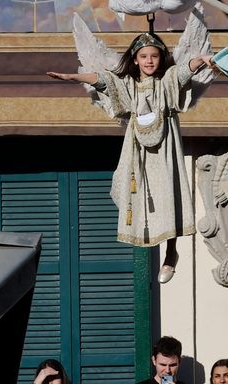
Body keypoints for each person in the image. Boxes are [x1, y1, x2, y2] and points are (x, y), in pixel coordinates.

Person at [47, 33, 212, 283]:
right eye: (144, 56)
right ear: (135, 60)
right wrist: (72, 77)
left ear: (160, 59)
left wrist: (201, 59)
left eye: (154, 56)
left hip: (165, 145)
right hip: (138, 148)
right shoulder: (129, 85)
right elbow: (102, 80)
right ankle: (144, 235)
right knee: (137, 191)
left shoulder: (167, 80)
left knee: (168, 193)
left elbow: (185, 71)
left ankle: (171, 253)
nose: (149, 61)